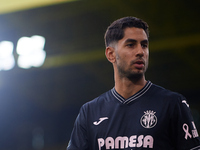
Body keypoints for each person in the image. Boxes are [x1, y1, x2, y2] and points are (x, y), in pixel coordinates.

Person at [67, 16, 200, 150]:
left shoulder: (172, 103)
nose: (140, 52)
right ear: (110, 54)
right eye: (131, 45)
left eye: (144, 45)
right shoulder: (90, 112)